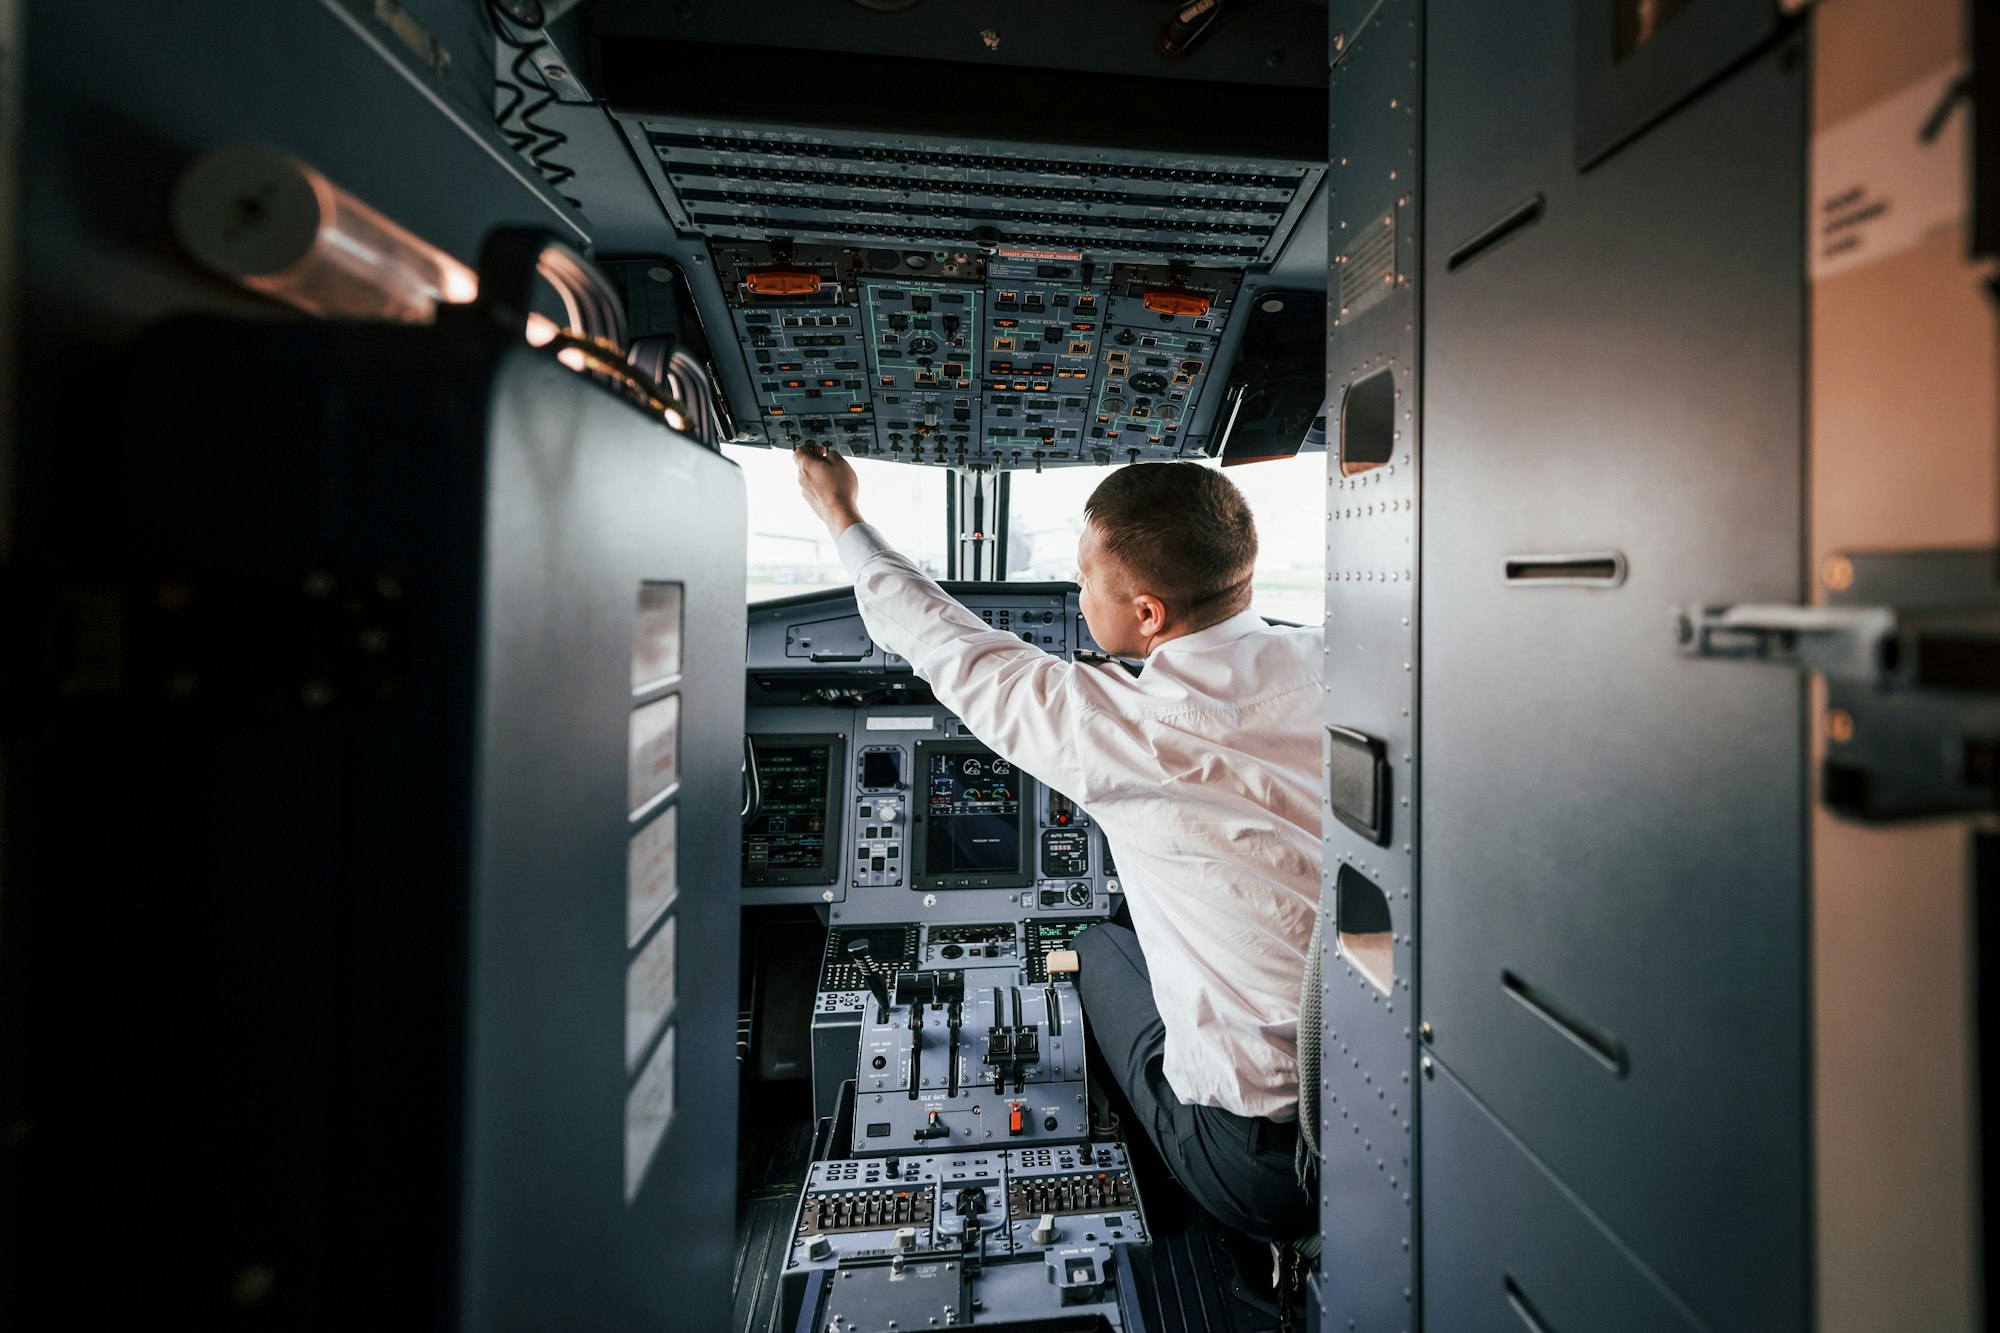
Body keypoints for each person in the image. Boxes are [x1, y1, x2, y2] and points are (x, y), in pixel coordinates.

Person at [793, 443, 1322, 1245]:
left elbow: (946, 644)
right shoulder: (1351, 663)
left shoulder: (1127, 730)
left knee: (1089, 942)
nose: (1077, 595)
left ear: (1147, 614)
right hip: (1391, 1108)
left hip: (1263, 1171)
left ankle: (1152, 1202)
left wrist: (840, 510)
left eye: (1084, 581)